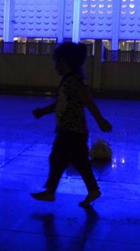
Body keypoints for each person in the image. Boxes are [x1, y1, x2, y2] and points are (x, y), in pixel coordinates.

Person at [31, 42, 113, 207]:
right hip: (73, 130)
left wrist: (100, 120)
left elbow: (88, 102)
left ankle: (50, 192)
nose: (55, 66)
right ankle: (93, 190)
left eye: (58, 62)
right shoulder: (67, 81)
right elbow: (60, 104)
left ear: (66, 62)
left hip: (72, 131)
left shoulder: (75, 81)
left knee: (57, 158)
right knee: (80, 162)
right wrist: (43, 111)